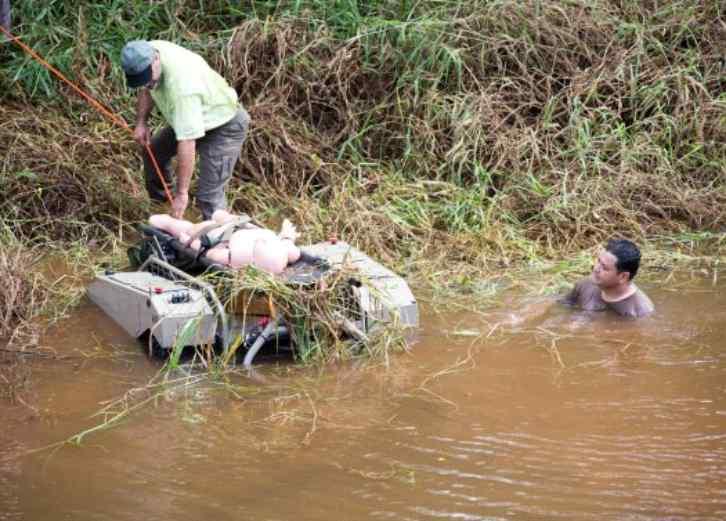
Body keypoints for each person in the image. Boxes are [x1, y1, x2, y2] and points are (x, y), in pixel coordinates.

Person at [120, 40, 250, 220]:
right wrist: (141, 122)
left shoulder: (182, 86)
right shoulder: (144, 52)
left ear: (156, 59)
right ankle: (163, 210)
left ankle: (219, 240)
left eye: (148, 77)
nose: (147, 83)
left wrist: (182, 194)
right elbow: (146, 89)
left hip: (223, 125)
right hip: (192, 115)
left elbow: (187, 141)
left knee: (208, 196)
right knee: (153, 152)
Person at [149, 210, 301, 275]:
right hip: (225, 232)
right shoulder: (240, 256)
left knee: (204, 226)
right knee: (192, 230)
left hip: (237, 227)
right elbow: (209, 252)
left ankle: (219, 216)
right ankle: (168, 223)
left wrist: (190, 243)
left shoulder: (281, 250)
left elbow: (209, 253)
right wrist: (188, 241)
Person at [560, 239, 654, 318]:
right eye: (598, 261)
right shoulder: (586, 284)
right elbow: (561, 306)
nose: (596, 268)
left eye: (604, 267)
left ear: (623, 276)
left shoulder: (639, 311)